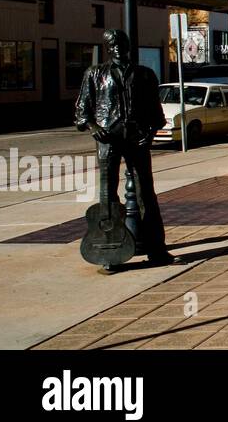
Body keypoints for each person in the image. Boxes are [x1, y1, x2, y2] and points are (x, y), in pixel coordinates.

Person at [75, 29, 178, 269]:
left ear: (128, 45)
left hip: (137, 138)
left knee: (146, 195)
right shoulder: (95, 73)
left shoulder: (144, 75)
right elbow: (82, 111)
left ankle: (156, 249)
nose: (117, 46)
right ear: (107, 47)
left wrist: (150, 135)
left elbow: (157, 114)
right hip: (108, 139)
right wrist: (93, 127)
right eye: (112, 43)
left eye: (121, 42)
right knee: (107, 195)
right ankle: (110, 253)